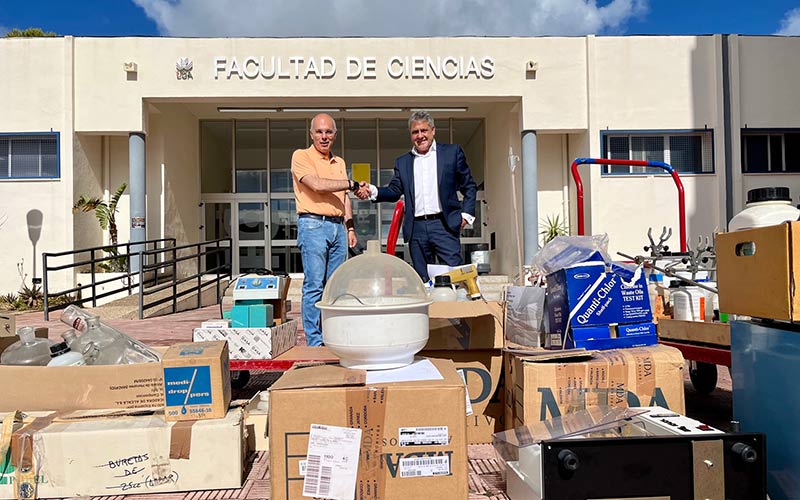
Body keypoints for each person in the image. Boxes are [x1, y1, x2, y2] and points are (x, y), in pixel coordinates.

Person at [356, 110, 477, 281]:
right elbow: (394, 191)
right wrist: (372, 190)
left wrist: (466, 215)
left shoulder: (452, 153)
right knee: (423, 281)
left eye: (424, 131)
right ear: (411, 135)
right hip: (417, 230)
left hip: (445, 225)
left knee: (454, 278)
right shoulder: (403, 162)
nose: (420, 136)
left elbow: (469, 186)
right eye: (415, 132)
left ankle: (453, 308)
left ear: (433, 131)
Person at [292, 113, 359, 346]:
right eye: (319, 132)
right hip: (313, 225)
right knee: (314, 285)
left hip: (337, 227)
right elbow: (318, 186)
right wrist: (352, 182)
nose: (324, 136)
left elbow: (344, 198)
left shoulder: (339, 162)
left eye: (328, 132)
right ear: (311, 134)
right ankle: (315, 341)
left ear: (335, 135)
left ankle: (333, 336)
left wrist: (350, 228)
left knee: (335, 286)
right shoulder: (301, 156)